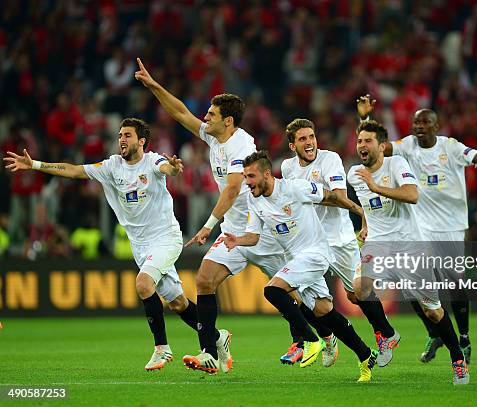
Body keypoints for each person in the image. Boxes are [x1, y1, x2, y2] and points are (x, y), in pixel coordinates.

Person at [4, 118, 198, 371]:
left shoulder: (152, 161)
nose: (122, 139)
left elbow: (166, 169)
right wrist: (35, 165)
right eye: (119, 135)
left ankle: (162, 349)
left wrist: (172, 168)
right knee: (177, 303)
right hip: (141, 245)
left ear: (141, 141)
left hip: (166, 237)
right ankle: (216, 337)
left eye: (127, 135)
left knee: (143, 283)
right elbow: (73, 170)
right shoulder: (111, 166)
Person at [135, 59, 286, 374]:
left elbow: (232, 189)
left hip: (261, 229)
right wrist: (153, 86)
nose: (205, 118)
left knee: (301, 297)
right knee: (204, 280)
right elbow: (179, 113)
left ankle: (326, 335)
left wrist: (206, 227)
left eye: (212, 114)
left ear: (228, 120)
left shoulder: (241, 145)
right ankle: (211, 352)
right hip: (234, 230)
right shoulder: (214, 137)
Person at [357, 95, 477, 363]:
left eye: (424, 122)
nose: (418, 126)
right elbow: (377, 148)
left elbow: (473, 155)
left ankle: (464, 338)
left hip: (451, 227)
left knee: (454, 282)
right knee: (410, 284)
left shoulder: (450, 147)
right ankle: (435, 332)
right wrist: (365, 120)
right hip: (420, 228)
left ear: (436, 126)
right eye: (415, 122)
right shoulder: (407, 146)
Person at [221, 150, 379, 382]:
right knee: (323, 311)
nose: (247, 182)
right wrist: (237, 240)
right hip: (296, 259)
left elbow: (331, 197)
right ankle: (365, 354)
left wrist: (360, 212)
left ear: (267, 174)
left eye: (251, 176)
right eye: (245, 177)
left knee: (273, 289)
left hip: (315, 253)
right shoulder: (255, 201)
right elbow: (253, 236)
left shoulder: (294, 188)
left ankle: (309, 339)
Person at [347, 120, 469, 385]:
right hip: (378, 245)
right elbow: (367, 205)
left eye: (368, 141)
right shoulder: (354, 173)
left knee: (433, 312)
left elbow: (413, 195)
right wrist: (366, 225)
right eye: (359, 141)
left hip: (410, 246)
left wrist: (376, 187)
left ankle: (458, 359)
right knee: (359, 287)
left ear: (381, 146)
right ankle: (387, 334)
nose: (362, 146)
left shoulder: (396, 165)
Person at [281, 118, 400, 367]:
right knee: (298, 295)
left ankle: (386, 333)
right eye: (302, 139)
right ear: (293, 146)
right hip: (310, 244)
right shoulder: (287, 168)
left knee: (357, 293)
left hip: (339, 239)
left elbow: (340, 197)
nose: (309, 142)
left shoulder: (330, 159)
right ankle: (326, 338)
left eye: (311, 136)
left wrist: (310, 195)